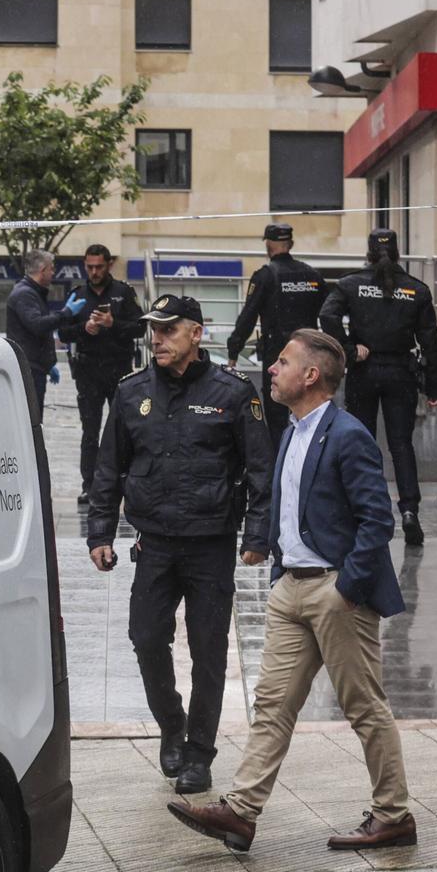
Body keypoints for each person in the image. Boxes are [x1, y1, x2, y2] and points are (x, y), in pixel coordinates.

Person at [166, 328, 415, 852]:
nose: (271, 369)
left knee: (364, 707)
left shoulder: (349, 435)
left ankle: (393, 815)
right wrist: (278, 567)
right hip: (290, 590)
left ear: (312, 375)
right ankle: (240, 811)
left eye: (282, 362)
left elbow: (377, 521)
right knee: (273, 704)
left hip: (334, 592)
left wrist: (345, 588)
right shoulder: (291, 431)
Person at [86, 294, 272, 793]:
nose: (157, 338)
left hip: (210, 544)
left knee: (209, 652)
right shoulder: (130, 392)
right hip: (154, 544)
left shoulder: (233, 393)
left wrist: (257, 535)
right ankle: (172, 725)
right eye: (153, 329)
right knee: (146, 638)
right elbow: (108, 467)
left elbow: (261, 470)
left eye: (168, 329)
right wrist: (100, 532)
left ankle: (199, 753)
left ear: (196, 332)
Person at [319, 227, 437, 547]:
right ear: (398, 253)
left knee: (362, 442)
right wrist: (434, 388)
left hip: (364, 371)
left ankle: (363, 508)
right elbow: (430, 343)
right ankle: (410, 511)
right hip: (401, 373)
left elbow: (327, 316)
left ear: (369, 252)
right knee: (401, 445)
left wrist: (348, 349)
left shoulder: (350, 285)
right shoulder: (417, 290)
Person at [227, 223, 325, 451]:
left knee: (277, 419)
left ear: (269, 244)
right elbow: (327, 314)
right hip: (309, 357)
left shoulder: (265, 276)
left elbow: (248, 317)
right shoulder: (313, 276)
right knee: (309, 414)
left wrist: (233, 351)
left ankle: (281, 473)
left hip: (278, 357)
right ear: (290, 244)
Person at [63, 245, 145, 503]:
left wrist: (113, 325)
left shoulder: (123, 292)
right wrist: (85, 329)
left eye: (99, 266)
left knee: (122, 430)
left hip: (118, 369)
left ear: (108, 264)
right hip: (88, 372)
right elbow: (62, 331)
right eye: (90, 267)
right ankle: (90, 485)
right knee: (90, 432)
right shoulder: (78, 294)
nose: (95, 272)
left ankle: (124, 484)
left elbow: (140, 328)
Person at [5, 249, 66, 422]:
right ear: (42, 270)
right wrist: (65, 314)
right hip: (29, 370)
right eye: (51, 269)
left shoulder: (33, 292)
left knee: (34, 418)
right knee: (31, 421)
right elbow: (37, 325)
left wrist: (48, 364)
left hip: (36, 367)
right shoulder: (25, 294)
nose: (53, 273)